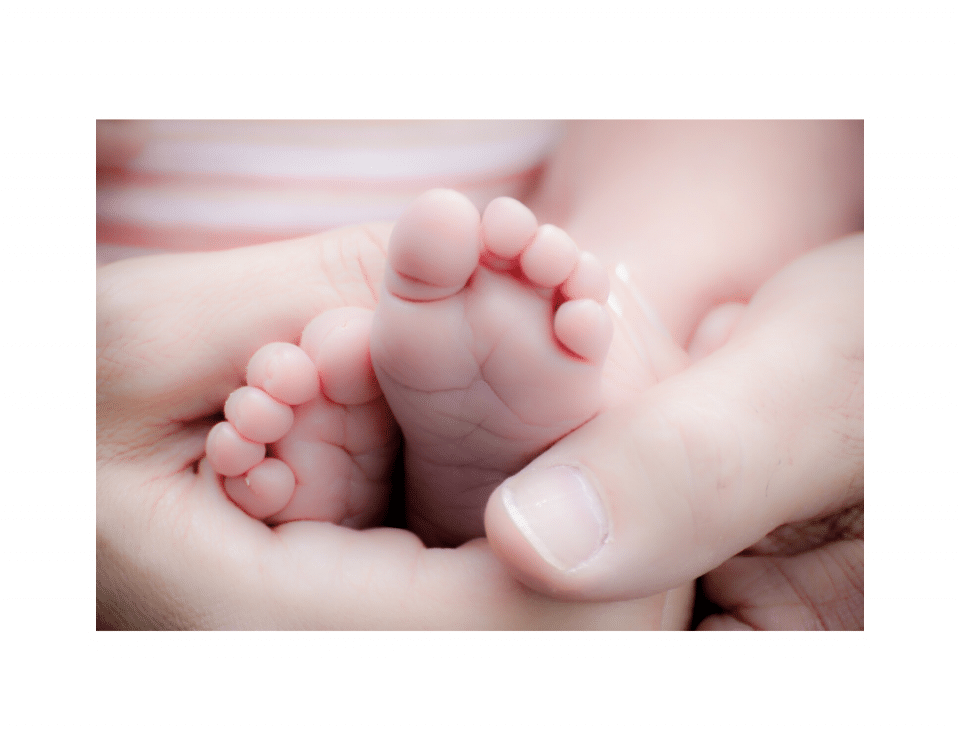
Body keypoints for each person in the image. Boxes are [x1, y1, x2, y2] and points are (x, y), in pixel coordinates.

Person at [97, 120, 862, 629]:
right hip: (142, 392)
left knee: (701, 165)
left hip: (194, 389)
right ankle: (597, 360)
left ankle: (633, 317)